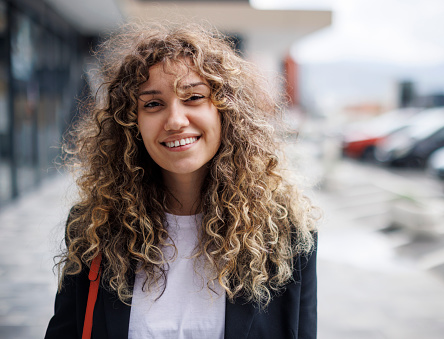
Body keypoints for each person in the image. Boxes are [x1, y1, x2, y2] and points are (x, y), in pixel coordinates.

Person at [45, 21, 318, 339]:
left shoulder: (285, 233)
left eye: (193, 98)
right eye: (153, 104)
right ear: (133, 123)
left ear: (225, 110)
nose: (175, 120)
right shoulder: (93, 227)